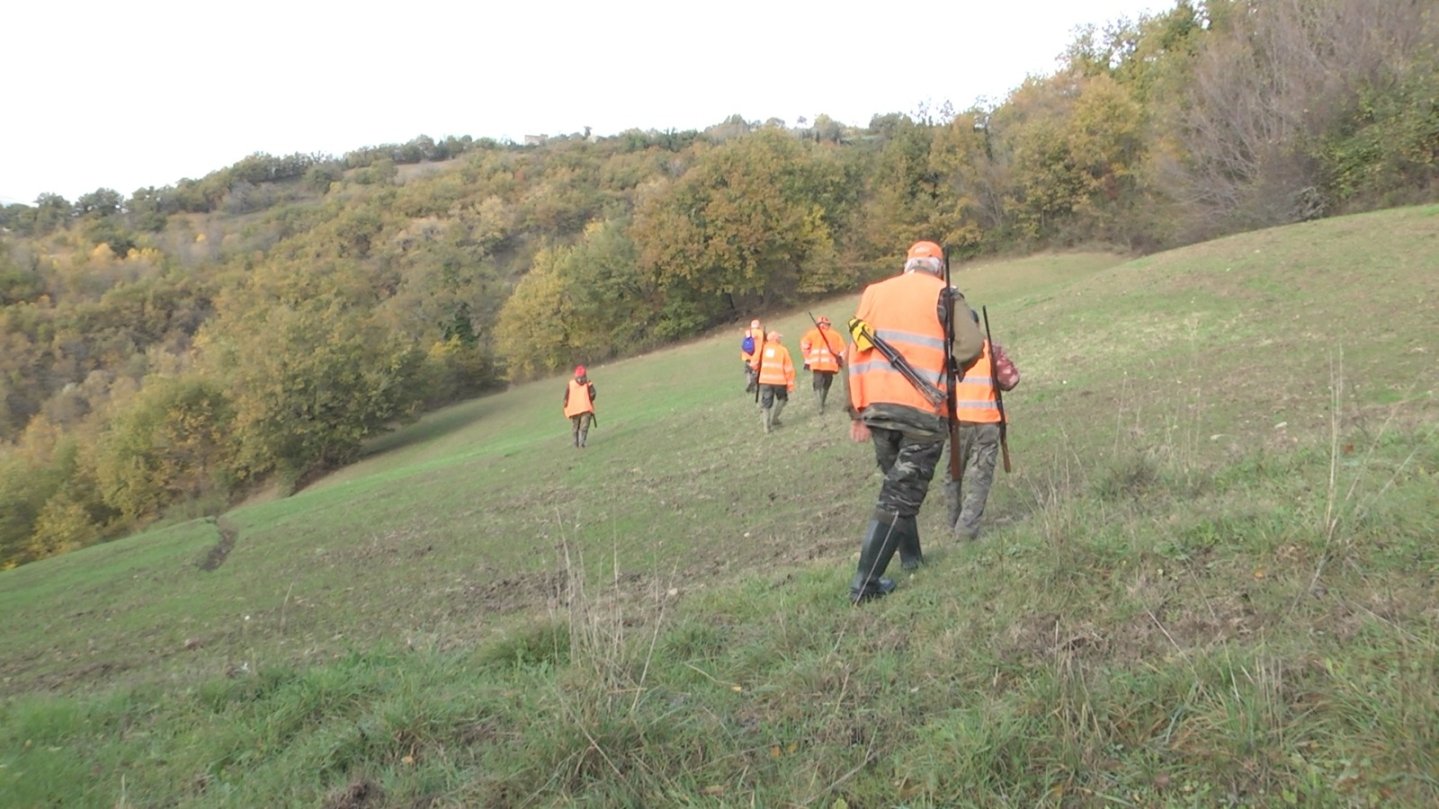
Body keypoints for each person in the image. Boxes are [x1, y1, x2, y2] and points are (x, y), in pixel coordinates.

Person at [845, 241, 984, 604]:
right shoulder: (945, 293)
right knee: (900, 495)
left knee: (897, 487)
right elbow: (971, 345)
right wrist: (952, 368)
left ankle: (912, 559)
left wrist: (855, 410)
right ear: (938, 267)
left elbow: (853, 350)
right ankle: (866, 583)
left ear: (907, 264)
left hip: (877, 408)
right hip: (920, 411)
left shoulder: (873, 292)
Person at [944, 317, 1020, 540]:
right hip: (986, 422)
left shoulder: (947, 353)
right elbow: (1011, 380)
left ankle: (954, 522)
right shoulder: (990, 348)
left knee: (953, 474)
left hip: (957, 424)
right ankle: (966, 530)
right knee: (980, 477)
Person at [800, 315, 844, 414]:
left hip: (816, 364)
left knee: (817, 384)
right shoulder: (835, 335)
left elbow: (804, 346)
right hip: (830, 365)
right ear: (828, 324)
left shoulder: (811, 334)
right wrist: (841, 361)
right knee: (827, 383)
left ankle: (820, 406)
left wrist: (807, 359)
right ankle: (822, 402)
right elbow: (842, 350)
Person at [755, 330, 796, 433]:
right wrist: (790, 384)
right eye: (779, 337)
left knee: (766, 404)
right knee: (783, 399)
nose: (780, 339)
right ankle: (775, 418)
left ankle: (766, 427)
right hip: (779, 381)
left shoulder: (762, 349)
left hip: (764, 380)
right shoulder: (782, 350)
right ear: (776, 339)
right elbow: (789, 369)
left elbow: (754, 363)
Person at [563, 365, 597, 448]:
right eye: (579, 377)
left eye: (582, 377)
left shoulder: (587, 383)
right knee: (578, 427)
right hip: (577, 410)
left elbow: (593, 394)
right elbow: (566, 398)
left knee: (581, 427)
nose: (580, 379)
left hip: (583, 409)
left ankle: (581, 443)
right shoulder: (573, 384)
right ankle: (577, 443)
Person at [740, 319, 765, 393]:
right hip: (756, 356)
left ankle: (749, 383)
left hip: (746, 356)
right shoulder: (760, 333)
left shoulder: (747, 332)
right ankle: (753, 384)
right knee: (756, 371)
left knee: (748, 371)